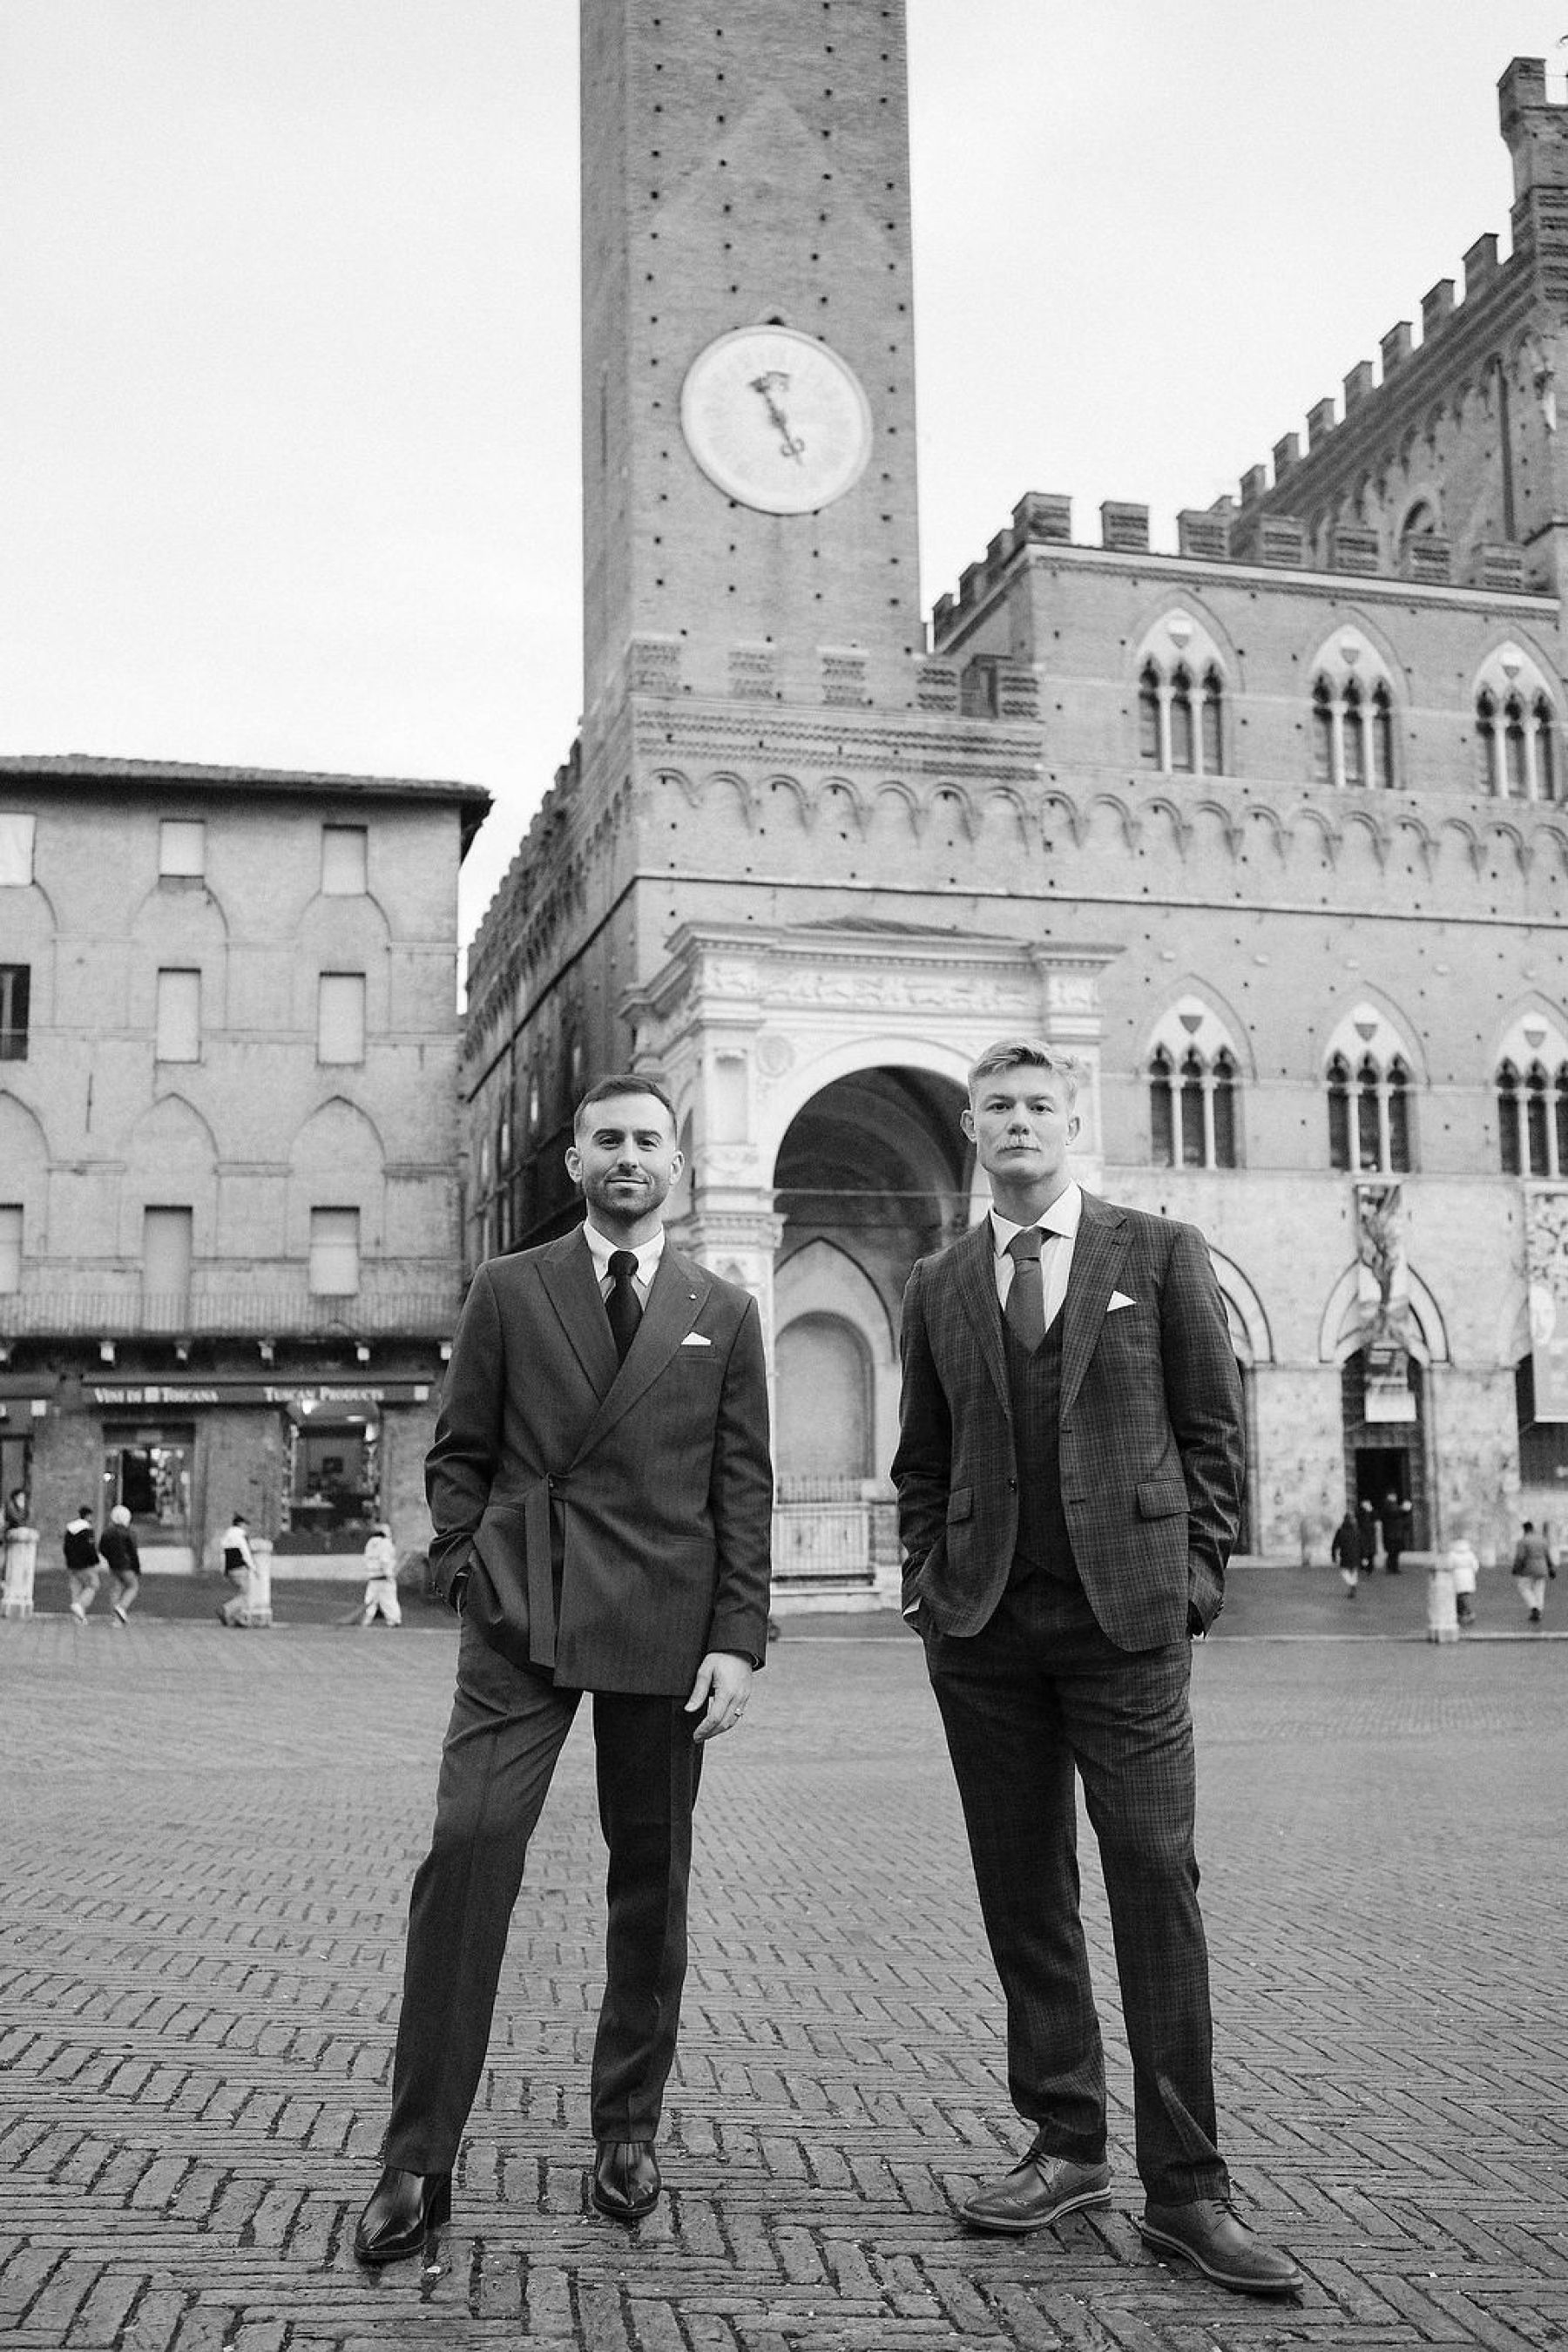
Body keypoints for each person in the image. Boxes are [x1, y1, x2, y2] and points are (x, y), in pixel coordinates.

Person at [893, 1038, 1301, 2300]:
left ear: (1075, 1120)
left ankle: (1187, 2188)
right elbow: (923, 1457)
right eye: (997, 1107)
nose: (1017, 1122)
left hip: (1128, 1627)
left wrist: (1196, 1579)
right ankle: (1066, 2144)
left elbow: (1212, 1433)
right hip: (987, 1636)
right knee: (1026, 1896)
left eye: (1037, 1105)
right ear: (972, 1129)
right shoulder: (940, 1281)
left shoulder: (1159, 1253)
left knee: (1154, 1889)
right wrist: (930, 1584)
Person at [354, 1072, 772, 2265]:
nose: (628, 1157)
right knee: (468, 1852)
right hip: (522, 1609)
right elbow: (459, 1451)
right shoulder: (509, 1288)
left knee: (653, 1883)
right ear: (575, 1162)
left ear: (676, 1164)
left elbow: (745, 1485)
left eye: (649, 1140)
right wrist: (467, 1561)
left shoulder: (723, 1309)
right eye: (607, 1141)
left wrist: (738, 1638)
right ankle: (415, 2154)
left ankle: (626, 2132)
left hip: (665, 1620)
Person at [100, 1504, 142, 1624]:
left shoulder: (107, 1532)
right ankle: (122, 1607)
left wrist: (110, 1558)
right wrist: (137, 1568)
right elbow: (133, 1552)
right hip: (127, 1566)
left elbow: (102, 1548)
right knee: (133, 1587)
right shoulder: (129, 1533)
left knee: (116, 1589)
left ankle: (115, 1617)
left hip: (113, 1566)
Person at [1511, 1519, 1555, 1625]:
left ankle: (1534, 1607)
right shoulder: (1542, 1540)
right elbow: (1548, 1556)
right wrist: (1551, 1568)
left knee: (1524, 1588)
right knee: (1539, 1589)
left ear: (1524, 1530)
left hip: (1528, 1569)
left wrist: (1516, 1569)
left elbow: (1520, 1558)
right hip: (1542, 1569)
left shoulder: (1523, 1541)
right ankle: (1539, 1610)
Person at [63, 1506, 102, 1623]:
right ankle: (80, 1606)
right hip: (85, 1565)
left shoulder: (70, 1529)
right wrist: (96, 1561)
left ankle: (78, 1617)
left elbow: (66, 1548)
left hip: (72, 1564)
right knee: (93, 1584)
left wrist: (69, 1560)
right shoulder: (87, 1530)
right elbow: (90, 1548)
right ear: (88, 1516)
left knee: (76, 1589)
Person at [360, 1524, 402, 1627]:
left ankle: (367, 1619)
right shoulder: (386, 1543)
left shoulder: (370, 1544)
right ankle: (394, 1620)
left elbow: (367, 1559)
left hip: (373, 1577)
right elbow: (385, 1560)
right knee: (389, 1599)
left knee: (370, 1600)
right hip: (384, 1577)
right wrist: (389, 1575)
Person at [218, 1512, 254, 1626]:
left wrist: (223, 1570)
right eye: (245, 1525)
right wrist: (253, 1567)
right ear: (241, 1525)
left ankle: (238, 1618)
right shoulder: (240, 1536)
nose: (247, 1528)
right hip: (240, 1568)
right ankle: (227, 1610)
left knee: (241, 1593)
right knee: (246, 1594)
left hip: (230, 1571)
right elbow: (245, 1553)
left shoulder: (226, 1537)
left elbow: (222, 1556)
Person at [1447, 1531, 1480, 1627]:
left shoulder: (1452, 1554)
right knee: (1463, 1596)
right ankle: (1463, 1613)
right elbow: (1475, 1566)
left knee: (1459, 1597)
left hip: (1457, 1577)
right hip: (1468, 1577)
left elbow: (1449, 1565)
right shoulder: (1469, 1554)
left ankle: (1467, 1613)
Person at [1330, 1507, 1364, 1599]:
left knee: (1345, 1571)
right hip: (1355, 1555)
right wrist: (1364, 1556)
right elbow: (1362, 1544)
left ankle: (1352, 1585)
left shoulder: (1341, 1531)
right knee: (1353, 1571)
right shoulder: (1356, 1531)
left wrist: (1333, 1556)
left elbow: (1335, 1544)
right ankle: (1353, 1585)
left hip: (1345, 1555)